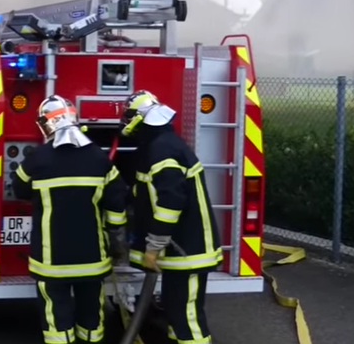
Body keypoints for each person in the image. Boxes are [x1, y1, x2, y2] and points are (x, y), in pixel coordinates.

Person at [12, 95, 128, 344]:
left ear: (46, 124)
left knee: (56, 320)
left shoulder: (37, 160)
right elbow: (117, 204)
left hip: (51, 261)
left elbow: (18, 189)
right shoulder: (100, 160)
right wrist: (117, 242)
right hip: (92, 261)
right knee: (92, 319)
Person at [120, 89, 221, 344]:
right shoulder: (161, 145)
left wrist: (153, 247)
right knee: (176, 313)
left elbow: (170, 202)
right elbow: (147, 191)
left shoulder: (162, 151)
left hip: (188, 250)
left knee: (187, 317)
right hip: (182, 252)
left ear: (140, 118)